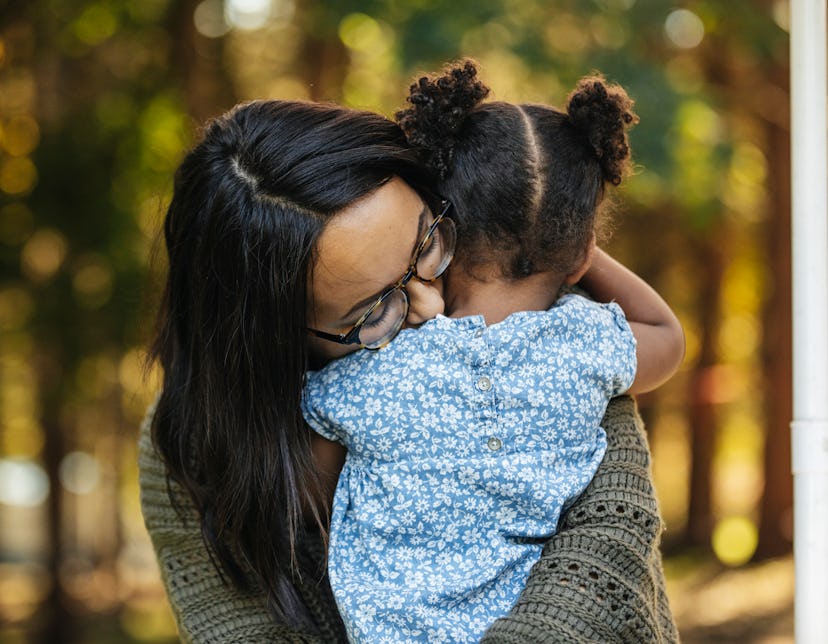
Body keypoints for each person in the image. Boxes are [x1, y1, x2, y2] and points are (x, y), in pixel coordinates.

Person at [138, 89, 681, 642]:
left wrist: (545, 230)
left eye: (428, 242)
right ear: (272, 343)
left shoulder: (566, 352)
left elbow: (597, 570)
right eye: (375, 308)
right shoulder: (189, 454)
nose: (434, 307)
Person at [300, 61, 684, 642]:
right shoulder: (588, 344)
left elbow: (308, 496)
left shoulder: (368, 371)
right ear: (581, 254)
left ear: (440, 227)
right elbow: (667, 334)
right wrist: (578, 250)